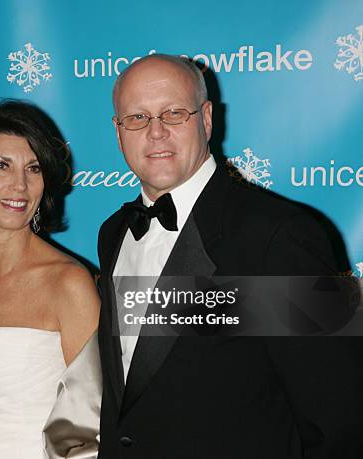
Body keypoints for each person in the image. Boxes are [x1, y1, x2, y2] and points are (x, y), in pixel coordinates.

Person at [97, 54, 363, 458]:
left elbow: (339, 418)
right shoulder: (114, 233)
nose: (155, 133)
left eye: (173, 113)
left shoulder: (277, 237)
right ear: (118, 133)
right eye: (137, 118)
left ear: (206, 119)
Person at [0, 100, 101, 458]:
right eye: (1, 166)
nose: (20, 185)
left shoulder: (69, 283)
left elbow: (93, 425)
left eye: (33, 169)